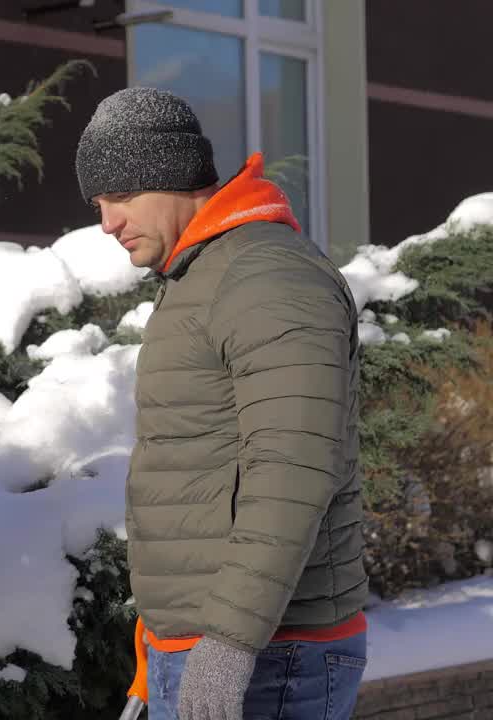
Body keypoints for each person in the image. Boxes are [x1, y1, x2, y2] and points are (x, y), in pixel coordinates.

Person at [74, 87, 370, 720]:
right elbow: (199, 477)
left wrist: (229, 645)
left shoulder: (265, 277)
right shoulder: (204, 277)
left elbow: (292, 469)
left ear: (174, 176)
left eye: (120, 196)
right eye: (98, 202)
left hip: (269, 655)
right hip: (211, 647)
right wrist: (155, 661)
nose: (107, 222)